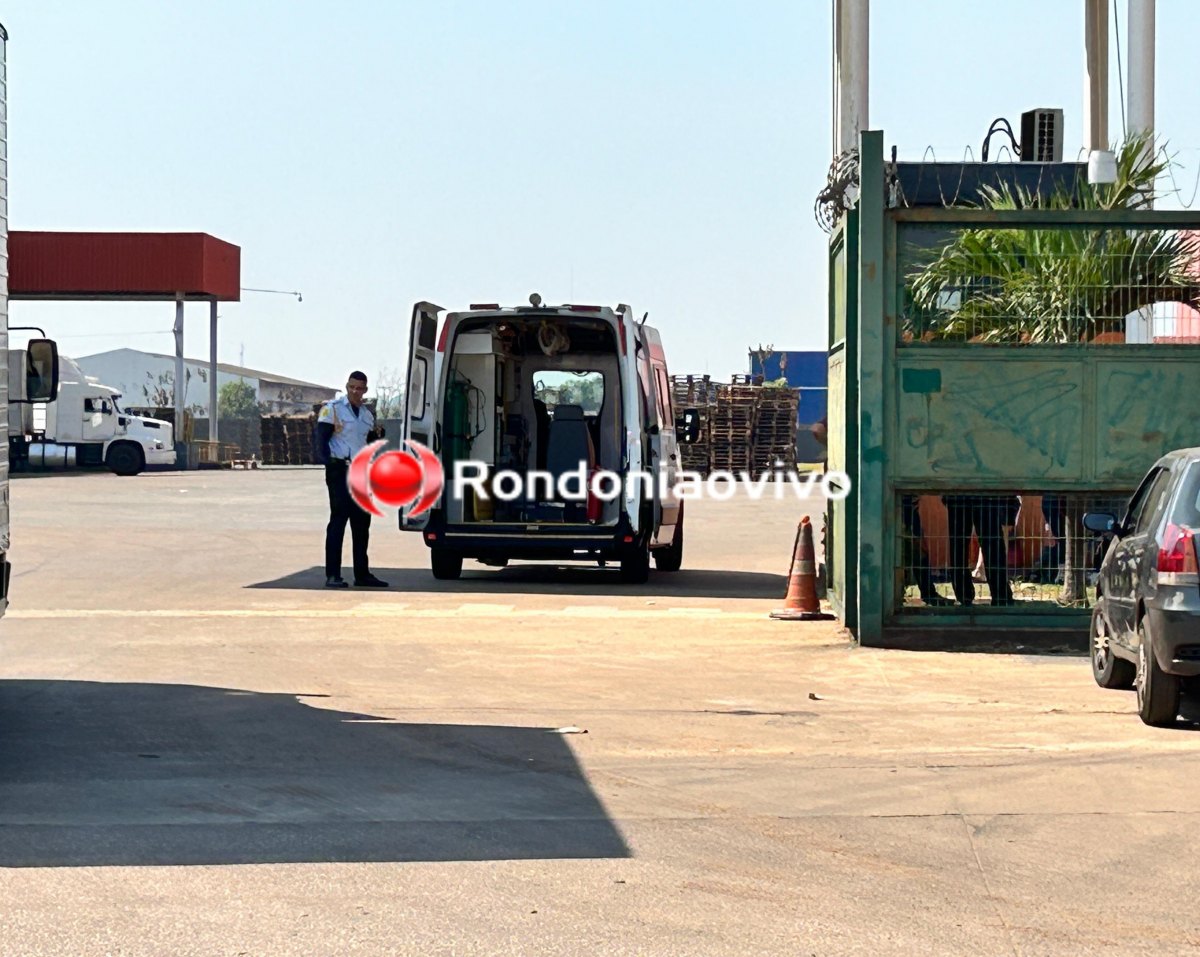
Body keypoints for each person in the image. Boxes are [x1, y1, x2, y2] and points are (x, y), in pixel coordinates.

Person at [316, 371, 388, 589]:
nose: (355, 392)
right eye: (352, 387)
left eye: (360, 388)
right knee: (338, 521)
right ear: (347, 387)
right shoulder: (333, 409)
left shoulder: (366, 415)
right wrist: (330, 464)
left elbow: (366, 441)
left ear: (365, 390)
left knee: (361, 524)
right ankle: (333, 575)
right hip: (340, 470)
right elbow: (320, 438)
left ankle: (362, 573)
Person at [943, 493, 1018, 606]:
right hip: (984, 493)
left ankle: (964, 594)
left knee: (959, 543)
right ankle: (1000, 594)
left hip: (959, 490)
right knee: (992, 542)